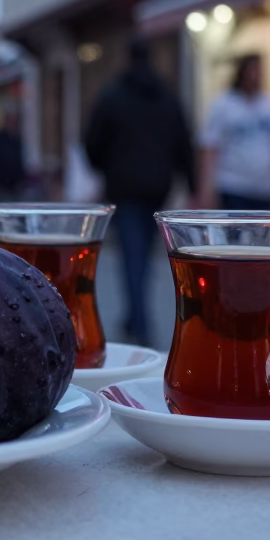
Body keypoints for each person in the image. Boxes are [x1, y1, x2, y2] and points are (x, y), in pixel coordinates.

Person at [84, 39, 196, 346]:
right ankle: (137, 316)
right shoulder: (167, 96)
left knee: (133, 254)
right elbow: (184, 141)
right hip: (158, 186)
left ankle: (140, 321)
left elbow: (92, 140)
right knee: (142, 253)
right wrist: (190, 182)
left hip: (124, 186)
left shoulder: (112, 95)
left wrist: (103, 168)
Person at [199, 53, 270, 209]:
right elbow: (210, 148)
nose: (255, 76)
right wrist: (205, 190)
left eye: (258, 71)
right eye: (251, 71)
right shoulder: (224, 105)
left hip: (265, 188)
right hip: (233, 186)